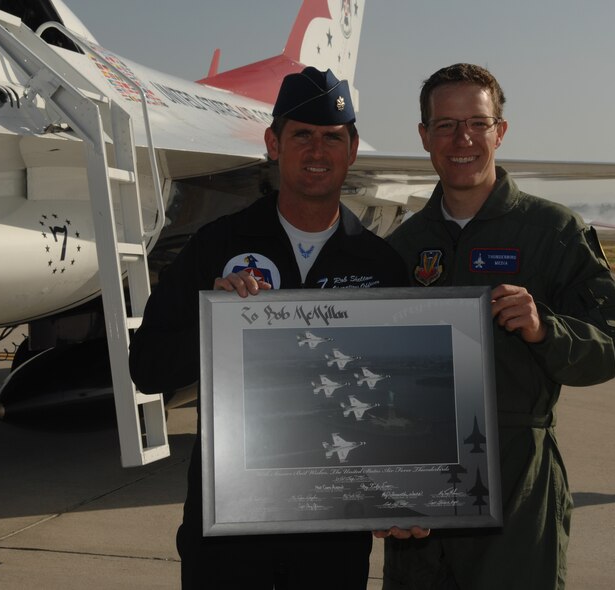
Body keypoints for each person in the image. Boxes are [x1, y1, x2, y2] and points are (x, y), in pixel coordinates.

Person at [129, 66, 408, 589]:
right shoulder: (216, 246)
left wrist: (402, 491)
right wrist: (215, 320)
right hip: (230, 530)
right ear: (273, 144)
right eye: (301, 135)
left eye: (332, 138)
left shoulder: (381, 265)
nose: (317, 151)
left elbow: (395, 399)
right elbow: (146, 368)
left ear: (351, 151)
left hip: (331, 536)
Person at [378, 63, 615, 589]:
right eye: (445, 125)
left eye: (477, 122)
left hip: (517, 483)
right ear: (424, 136)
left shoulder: (553, 231)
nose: (461, 138)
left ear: (500, 131)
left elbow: (608, 350)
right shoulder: (402, 246)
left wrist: (546, 329)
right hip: (422, 489)